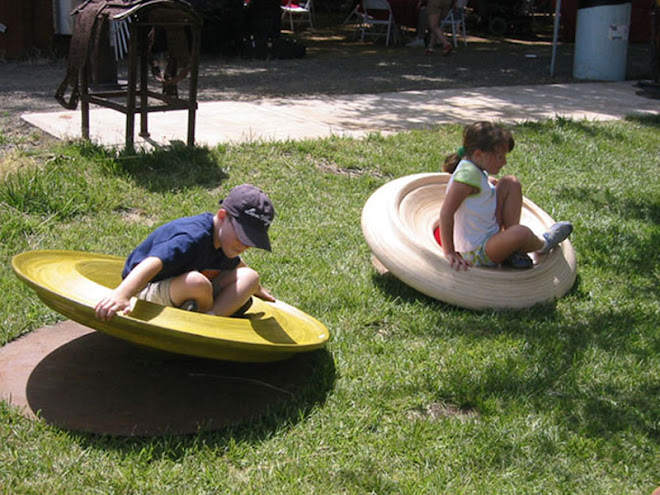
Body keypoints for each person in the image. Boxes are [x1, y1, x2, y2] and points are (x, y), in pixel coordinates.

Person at [95, 184, 276, 321]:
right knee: (197, 283)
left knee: (250, 276)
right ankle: (203, 317)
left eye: (251, 240)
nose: (245, 244)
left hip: (189, 290)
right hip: (147, 287)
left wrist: (255, 288)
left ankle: (211, 319)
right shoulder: (191, 236)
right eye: (242, 236)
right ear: (222, 217)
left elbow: (237, 264)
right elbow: (154, 262)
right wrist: (122, 294)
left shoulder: (224, 240)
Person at [439, 122, 573, 271]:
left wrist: (486, 182)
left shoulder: (474, 169)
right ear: (479, 154)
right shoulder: (466, 178)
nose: (504, 162)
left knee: (511, 183)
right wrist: (450, 252)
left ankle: (513, 250)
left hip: (489, 233)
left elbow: (474, 190)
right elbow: (446, 212)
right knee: (521, 232)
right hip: (476, 251)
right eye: (499, 157)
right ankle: (543, 243)